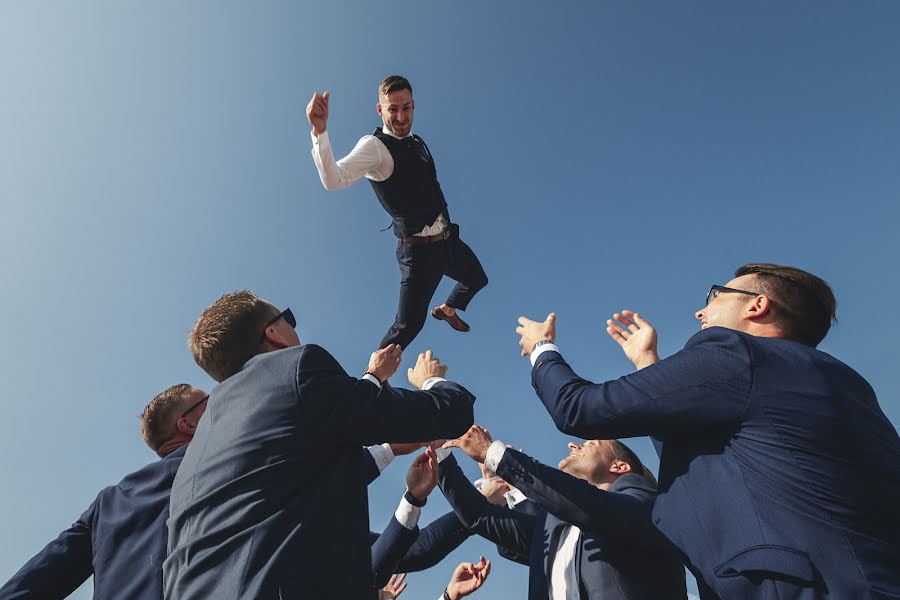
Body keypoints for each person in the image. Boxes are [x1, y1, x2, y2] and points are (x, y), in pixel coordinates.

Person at [516, 263, 900, 599]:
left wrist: (542, 349)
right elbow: (705, 470)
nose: (701, 311)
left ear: (757, 304)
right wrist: (648, 363)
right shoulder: (839, 382)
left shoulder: (734, 351)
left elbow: (581, 409)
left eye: (715, 295)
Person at [164, 291, 476, 600]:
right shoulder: (296, 368)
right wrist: (431, 381)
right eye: (288, 319)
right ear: (274, 334)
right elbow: (452, 412)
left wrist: (390, 448)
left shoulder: (201, 447)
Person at [306, 75, 488, 349]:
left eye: (406, 108)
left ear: (414, 106)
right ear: (380, 110)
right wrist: (320, 134)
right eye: (393, 109)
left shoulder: (418, 142)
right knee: (407, 328)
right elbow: (335, 179)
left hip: (447, 242)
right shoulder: (374, 148)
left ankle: (448, 310)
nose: (401, 116)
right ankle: (370, 382)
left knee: (477, 278)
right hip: (419, 254)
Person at [0, 383, 209, 600]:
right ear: (188, 424)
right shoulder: (219, 459)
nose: (217, 401)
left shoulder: (110, 502)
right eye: (207, 400)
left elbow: (43, 573)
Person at [438, 425, 687, 599]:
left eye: (590, 443)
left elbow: (588, 505)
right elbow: (479, 515)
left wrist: (494, 454)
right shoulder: (556, 526)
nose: (572, 445)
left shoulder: (645, 503)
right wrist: (437, 448)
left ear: (619, 466)